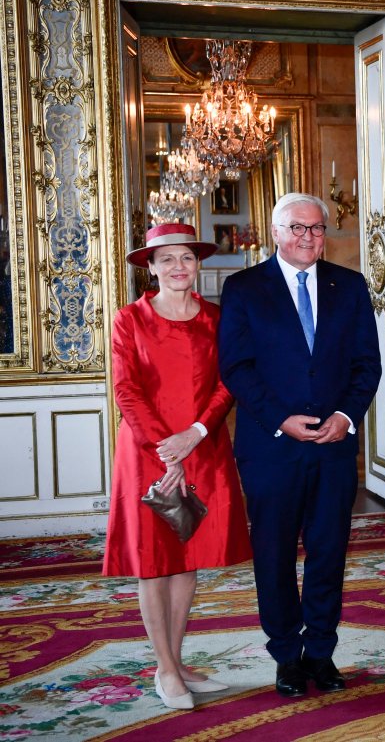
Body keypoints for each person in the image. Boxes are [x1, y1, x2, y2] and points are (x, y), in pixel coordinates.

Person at [218, 192, 382, 698]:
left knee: (329, 553)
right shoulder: (243, 288)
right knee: (273, 554)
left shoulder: (349, 286)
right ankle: (287, 655)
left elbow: (366, 365)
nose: (308, 236)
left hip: (333, 446)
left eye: (315, 228)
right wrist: (280, 419)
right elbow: (236, 368)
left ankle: (321, 653)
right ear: (275, 232)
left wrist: (345, 415)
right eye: (297, 228)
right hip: (271, 448)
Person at [103, 223, 253, 711]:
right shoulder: (130, 319)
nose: (178, 267)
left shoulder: (217, 318)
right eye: (166, 259)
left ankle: (177, 659)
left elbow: (229, 381)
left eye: (186, 257)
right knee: (154, 563)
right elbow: (126, 390)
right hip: (146, 452)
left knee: (187, 558)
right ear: (150, 266)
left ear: (198, 263)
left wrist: (196, 434)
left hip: (203, 447)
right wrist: (165, 449)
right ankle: (165, 669)